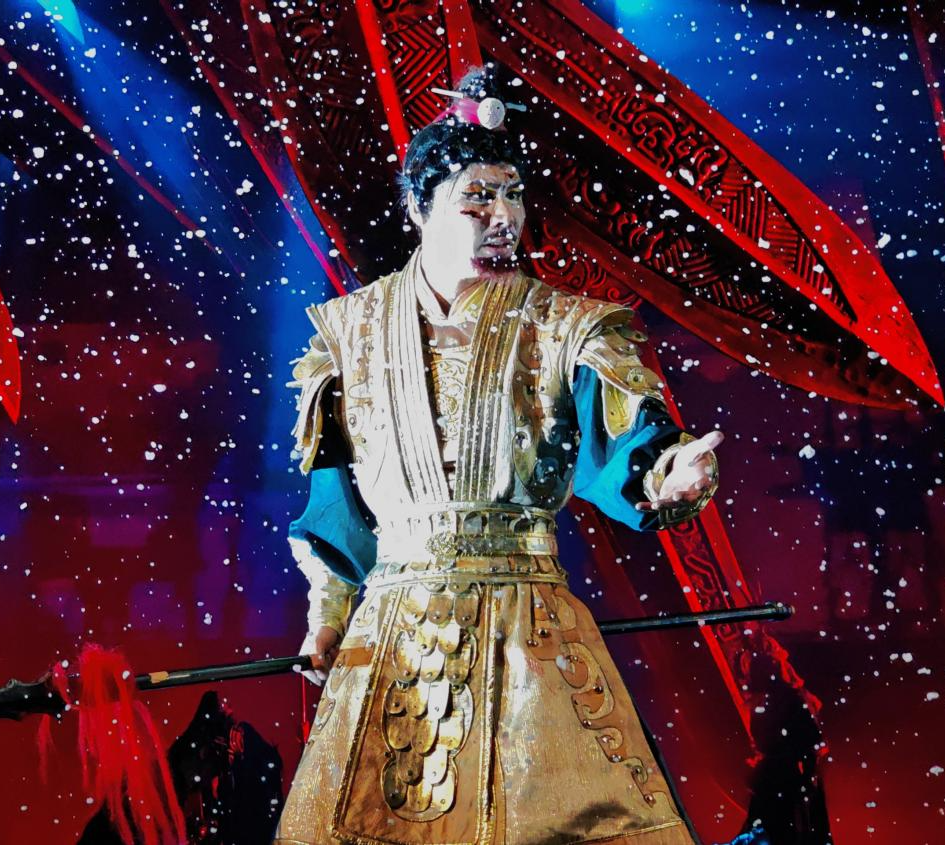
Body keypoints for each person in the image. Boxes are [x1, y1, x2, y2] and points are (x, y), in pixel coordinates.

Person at [277, 63, 722, 845]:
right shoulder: (346, 335)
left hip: (528, 629)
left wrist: (669, 474)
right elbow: (335, 506)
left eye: (512, 196)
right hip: (394, 633)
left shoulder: (567, 327)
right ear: (419, 207)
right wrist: (328, 620)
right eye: (477, 199)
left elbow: (625, 444)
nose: (503, 216)